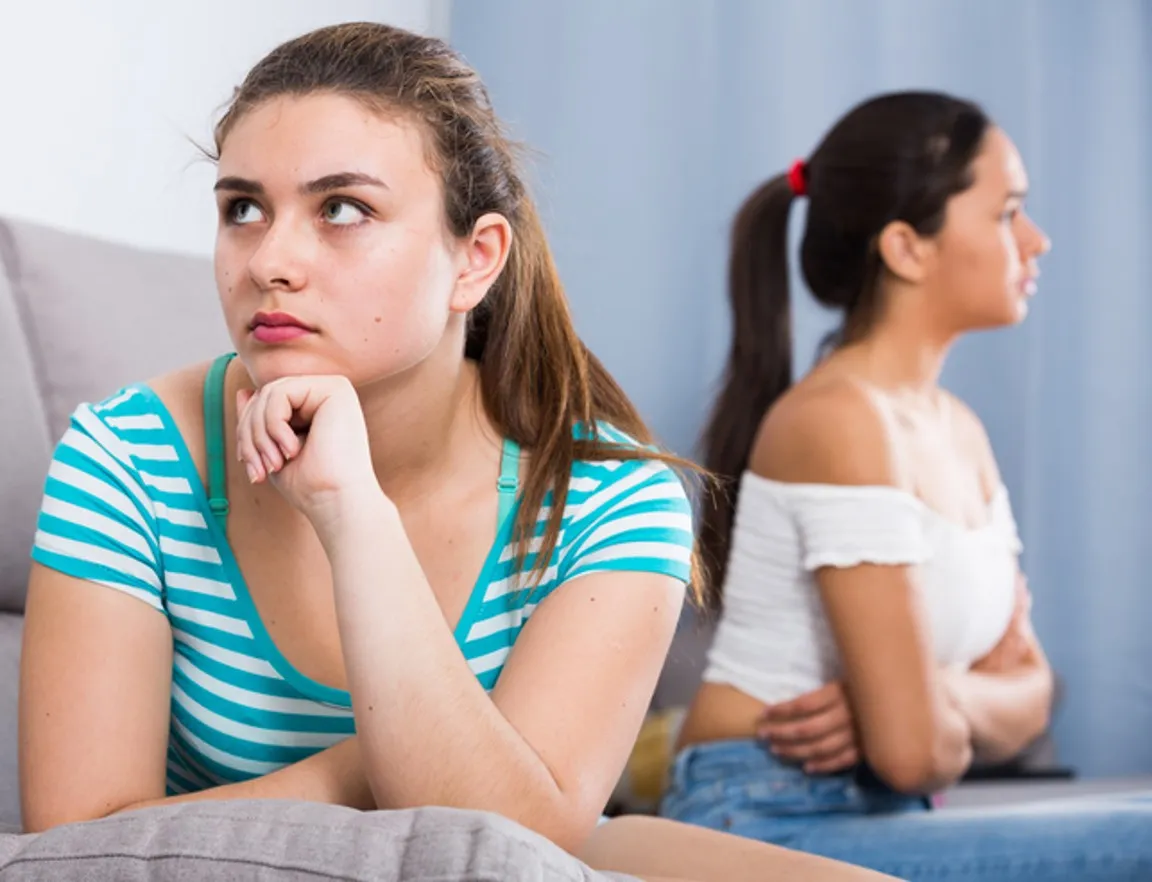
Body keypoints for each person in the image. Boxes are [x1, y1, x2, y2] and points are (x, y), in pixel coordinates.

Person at [17, 22, 891, 882]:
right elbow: (71, 853)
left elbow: (517, 847)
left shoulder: (613, 496)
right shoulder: (128, 458)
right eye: (243, 209)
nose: (269, 261)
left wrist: (352, 515)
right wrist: (359, 770)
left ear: (475, 261)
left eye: (343, 210)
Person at [657, 90, 1152, 880]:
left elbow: (1033, 693)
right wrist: (940, 710)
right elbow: (916, 753)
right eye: (1006, 212)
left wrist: (938, 695)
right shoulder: (841, 421)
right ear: (906, 247)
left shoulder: (959, 430)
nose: (1038, 240)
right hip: (760, 815)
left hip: (875, 815)